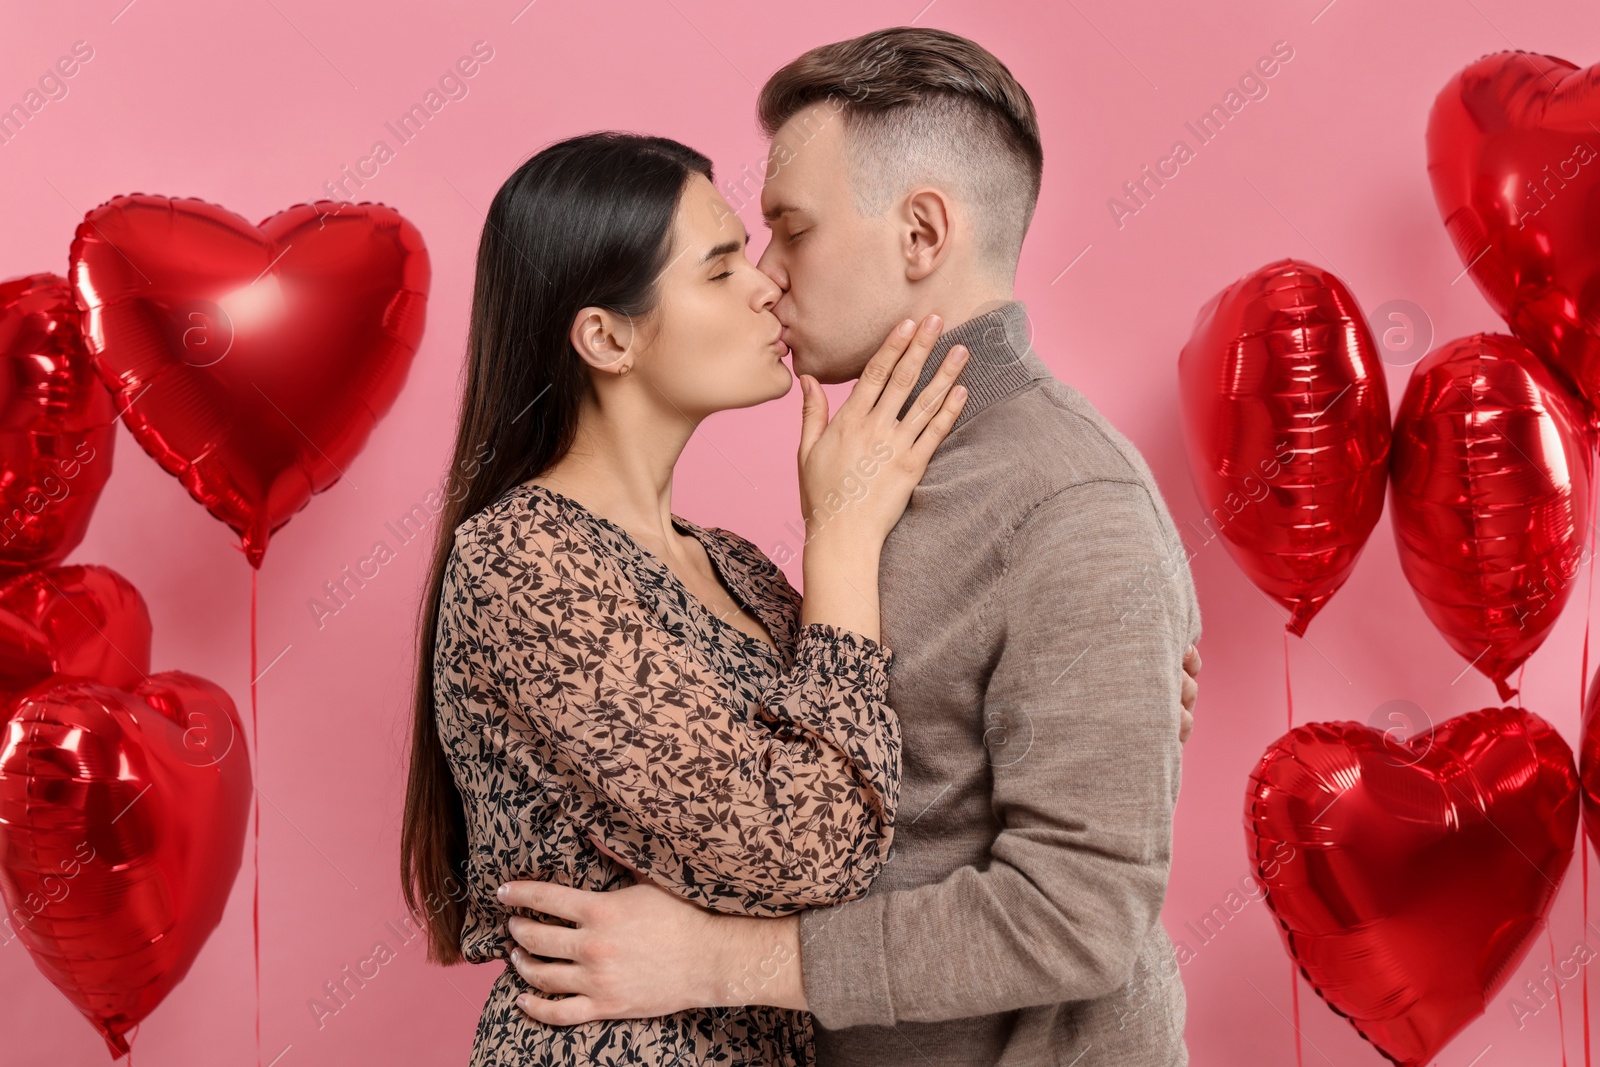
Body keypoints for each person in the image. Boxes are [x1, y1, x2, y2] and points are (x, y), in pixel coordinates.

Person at [496, 26, 1205, 1067]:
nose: (769, 277)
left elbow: (1075, 915)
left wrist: (715, 959)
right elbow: (805, 774)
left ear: (920, 234)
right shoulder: (870, 477)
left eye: (791, 229)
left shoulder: (1070, 499)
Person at [402, 128, 978, 1065]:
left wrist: (1081, 689)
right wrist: (838, 540)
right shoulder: (523, 563)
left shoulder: (738, 569)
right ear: (607, 336)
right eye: (719, 269)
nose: (767, 285)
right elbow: (809, 845)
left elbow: (884, 795)